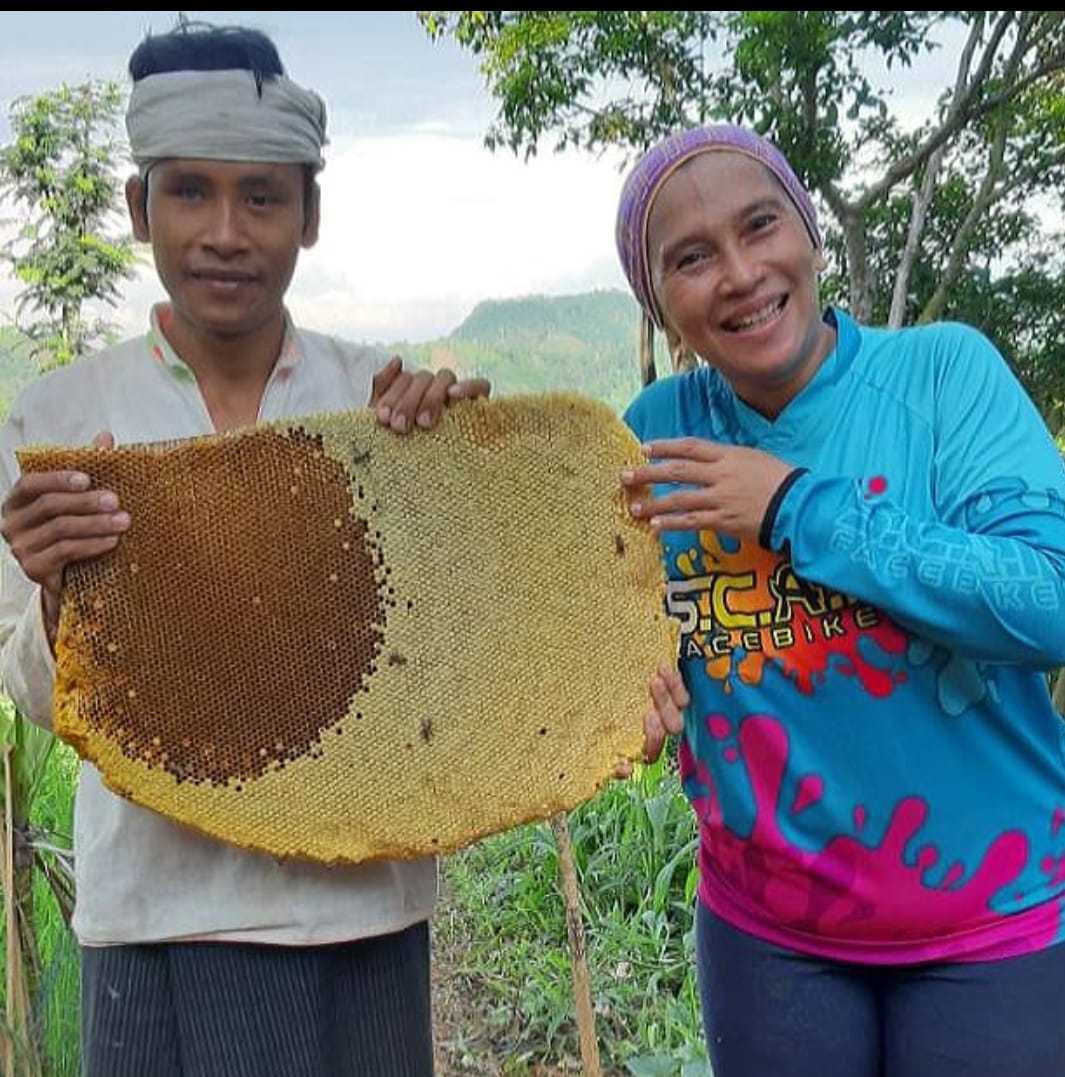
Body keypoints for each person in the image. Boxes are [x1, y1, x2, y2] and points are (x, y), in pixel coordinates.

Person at [0, 20, 488, 1077]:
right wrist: (51, 596)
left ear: (309, 216)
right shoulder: (61, 418)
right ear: (139, 209)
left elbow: (448, 636)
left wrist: (462, 476)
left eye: (262, 197)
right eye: (190, 192)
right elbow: (40, 702)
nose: (226, 230)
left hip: (364, 902)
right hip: (160, 917)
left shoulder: (379, 402)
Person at [616, 123, 1065, 1076]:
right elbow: (579, 635)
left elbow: (1049, 601)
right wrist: (438, 433)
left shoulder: (943, 376)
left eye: (760, 225)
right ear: (655, 301)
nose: (738, 273)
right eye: (690, 258)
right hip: (766, 935)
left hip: (991, 924)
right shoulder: (651, 441)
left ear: (808, 234)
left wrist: (791, 505)